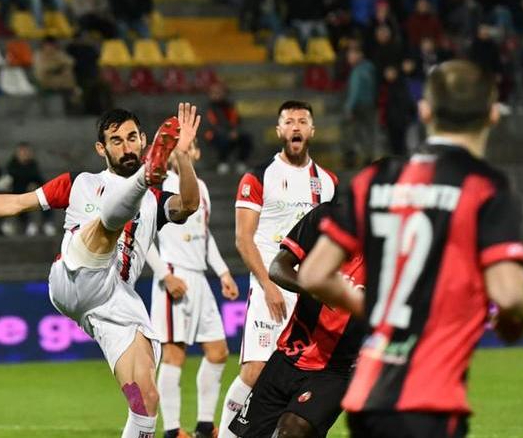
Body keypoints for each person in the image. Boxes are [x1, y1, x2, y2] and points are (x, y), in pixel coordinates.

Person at [0, 104, 202, 438]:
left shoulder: (156, 200)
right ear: (101, 149)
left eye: (132, 138)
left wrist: (183, 156)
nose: (126, 146)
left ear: (144, 140)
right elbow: (15, 203)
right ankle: (142, 178)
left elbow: (189, 205)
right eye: (116, 141)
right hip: (74, 275)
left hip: (113, 301)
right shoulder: (79, 183)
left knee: (145, 400)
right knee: (105, 228)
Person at [297, 60, 523, 438]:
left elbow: (313, 274)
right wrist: (515, 321)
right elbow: (511, 295)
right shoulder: (485, 186)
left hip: (368, 395)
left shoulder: (377, 179)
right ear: (493, 114)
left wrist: (374, 308)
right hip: (431, 400)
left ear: (425, 111)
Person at [218, 101, 338, 438]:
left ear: (311, 130)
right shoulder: (259, 176)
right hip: (270, 286)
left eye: (302, 121)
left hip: (308, 294)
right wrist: (268, 285)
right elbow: (244, 239)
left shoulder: (328, 182)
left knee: (299, 376)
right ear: (279, 130)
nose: (295, 126)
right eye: (289, 121)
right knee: (255, 371)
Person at [229, 202, 366, 438]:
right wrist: (315, 288)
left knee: (291, 431)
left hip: (337, 370)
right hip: (287, 355)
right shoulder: (326, 218)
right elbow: (278, 267)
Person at [146, 141, 240, 438]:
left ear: (197, 152)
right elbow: (142, 236)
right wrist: (165, 275)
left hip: (199, 278)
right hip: (175, 274)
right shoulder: (161, 186)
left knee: (218, 352)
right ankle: (172, 430)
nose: (185, 152)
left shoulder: (201, 187)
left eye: (189, 147)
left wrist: (223, 272)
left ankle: (204, 425)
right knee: (174, 355)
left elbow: (204, 234)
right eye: (178, 148)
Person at [5, 142, 57, 237]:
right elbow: (12, 181)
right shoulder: (11, 166)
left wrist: (35, 185)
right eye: (22, 152)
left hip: (32, 192)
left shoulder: (33, 165)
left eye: (26, 152)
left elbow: (39, 180)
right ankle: (26, 223)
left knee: (46, 196)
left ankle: (47, 222)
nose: (24, 154)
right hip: (16, 192)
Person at [203, 83, 252, 175]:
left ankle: (241, 162)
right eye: (215, 93)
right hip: (214, 134)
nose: (218, 95)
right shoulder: (208, 108)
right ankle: (222, 162)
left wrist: (235, 131)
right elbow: (212, 125)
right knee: (222, 138)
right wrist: (228, 133)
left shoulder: (229, 106)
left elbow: (236, 120)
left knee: (246, 137)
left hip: (231, 133)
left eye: (220, 92)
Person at [344, 46, 378, 166]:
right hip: (370, 104)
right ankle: (368, 157)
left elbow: (355, 91)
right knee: (368, 132)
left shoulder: (358, 71)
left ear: (359, 55)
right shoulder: (370, 68)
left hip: (359, 107)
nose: (349, 58)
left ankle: (354, 158)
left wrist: (349, 107)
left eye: (351, 55)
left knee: (354, 133)